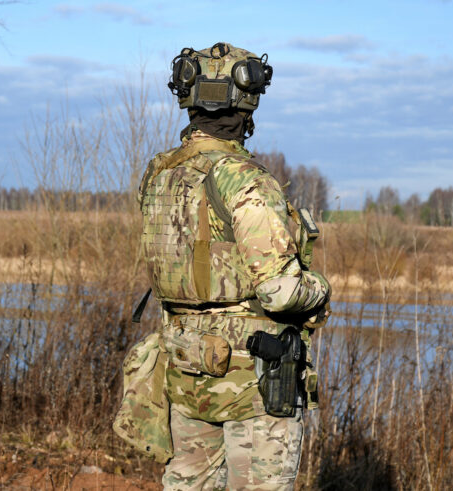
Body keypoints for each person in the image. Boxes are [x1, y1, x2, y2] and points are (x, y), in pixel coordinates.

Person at [132, 42, 331, 490]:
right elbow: (279, 290)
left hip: (184, 368)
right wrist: (319, 288)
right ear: (248, 102)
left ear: (187, 98)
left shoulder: (159, 174)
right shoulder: (246, 179)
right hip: (253, 382)